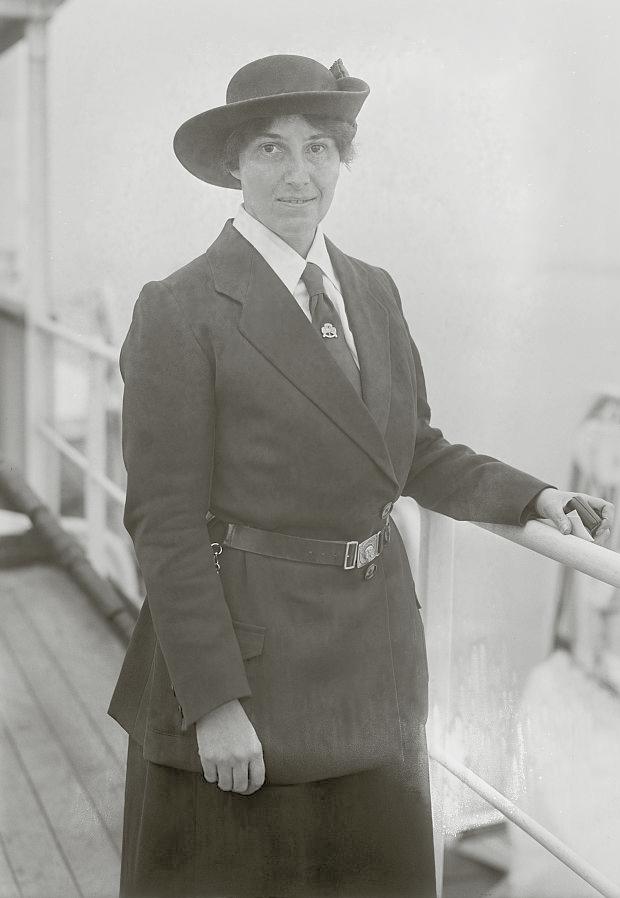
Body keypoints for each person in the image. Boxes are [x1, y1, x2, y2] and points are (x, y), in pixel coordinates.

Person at [108, 54, 614, 898]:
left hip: (370, 662)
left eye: (319, 148)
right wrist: (214, 703)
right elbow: (165, 522)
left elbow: (411, 450)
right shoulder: (180, 308)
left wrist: (534, 496)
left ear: (343, 158)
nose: (298, 174)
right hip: (249, 668)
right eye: (270, 149)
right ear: (234, 164)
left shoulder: (372, 292)